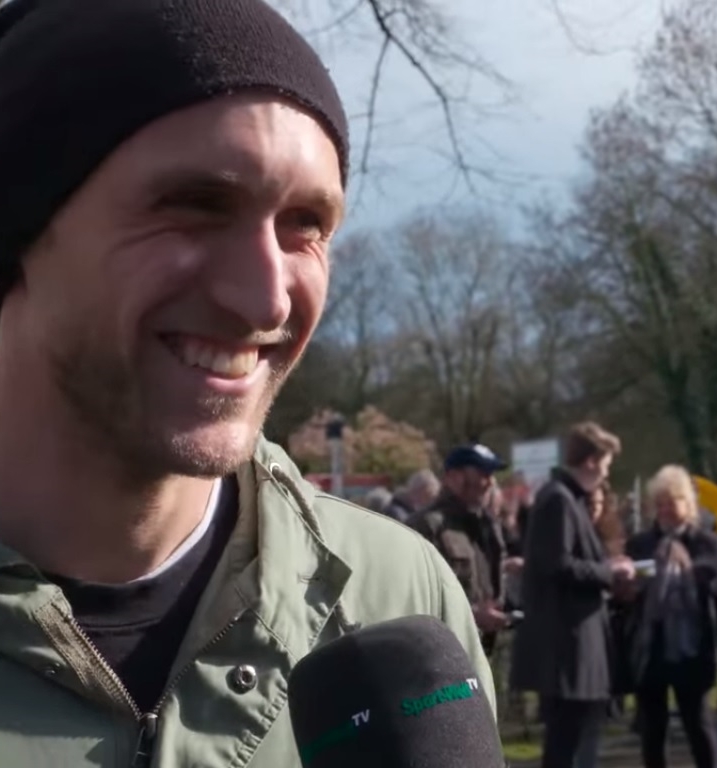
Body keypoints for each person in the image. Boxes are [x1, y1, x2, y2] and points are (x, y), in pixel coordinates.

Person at [0, 1, 492, 765]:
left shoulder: (395, 597)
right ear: (22, 232)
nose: (265, 299)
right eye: (195, 206)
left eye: (307, 224)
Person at [510, 422, 634, 768]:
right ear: (592, 462)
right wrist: (611, 572)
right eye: (606, 464)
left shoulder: (565, 499)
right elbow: (558, 564)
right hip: (568, 644)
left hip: (575, 642)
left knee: (574, 739)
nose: (607, 473)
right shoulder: (559, 501)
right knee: (565, 742)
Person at [620, 465, 717, 768]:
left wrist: (689, 571)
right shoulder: (641, 543)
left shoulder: (706, 542)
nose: (666, 509)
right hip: (650, 645)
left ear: (688, 504)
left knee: (699, 725)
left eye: (672, 501)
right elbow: (625, 587)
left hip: (691, 645)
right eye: (660, 503)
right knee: (652, 730)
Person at [408, 445, 512, 653]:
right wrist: (473, 615)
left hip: (485, 649)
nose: (490, 482)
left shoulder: (487, 524)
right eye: (482, 474)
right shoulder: (427, 526)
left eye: (491, 475)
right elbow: (416, 599)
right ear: (454, 477)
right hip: (444, 652)